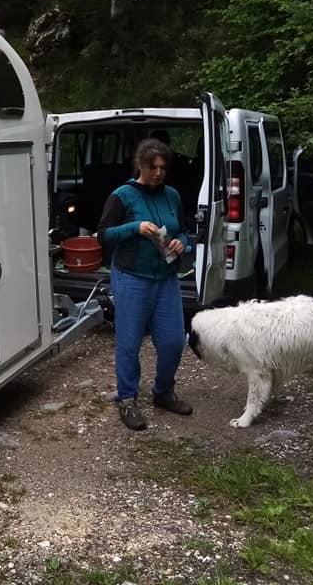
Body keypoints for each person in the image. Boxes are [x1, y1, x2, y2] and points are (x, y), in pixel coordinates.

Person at [96, 138, 193, 430]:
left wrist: (181, 245)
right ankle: (127, 399)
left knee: (174, 341)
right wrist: (134, 228)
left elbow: (185, 232)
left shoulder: (172, 196)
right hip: (131, 278)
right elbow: (103, 235)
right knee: (129, 342)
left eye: (164, 167)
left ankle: (163, 392)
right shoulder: (123, 196)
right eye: (153, 167)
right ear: (141, 165)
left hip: (165, 279)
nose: (159, 173)